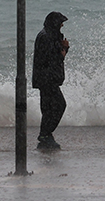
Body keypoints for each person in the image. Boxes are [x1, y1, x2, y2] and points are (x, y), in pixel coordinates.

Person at [32, 11, 69, 150]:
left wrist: (62, 48)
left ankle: (45, 135)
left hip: (44, 79)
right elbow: (55, 58)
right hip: (47, 79)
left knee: (48, 109)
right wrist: (64, 48)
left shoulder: (46, 35)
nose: (62, 25)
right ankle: (45, 134)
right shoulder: (47, 37)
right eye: (60, 23)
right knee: (59, 105)